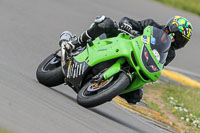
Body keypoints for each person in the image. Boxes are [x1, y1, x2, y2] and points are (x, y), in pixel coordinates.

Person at [59, 15, 193, 104]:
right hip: (122, 42)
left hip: (136, 62)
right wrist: (127, 25)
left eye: (184, 41)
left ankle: (108, 87)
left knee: (136, 96)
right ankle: (75, 43)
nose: (181, 42)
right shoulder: (151, 25)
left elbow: (158, 65)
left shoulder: (170, 54)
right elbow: (127, 21)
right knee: (106, 23)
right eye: (180, 37)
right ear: (172, 29)